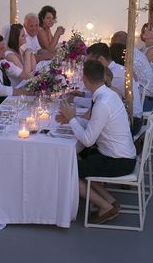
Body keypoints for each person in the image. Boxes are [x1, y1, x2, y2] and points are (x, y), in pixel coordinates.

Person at [58, 60, 136, 224]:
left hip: (119, 160)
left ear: (85, 80)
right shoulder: (108, 94)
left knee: (69, 170)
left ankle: (105, 207)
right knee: (82, 161)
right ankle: (110, 201)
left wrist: (72, 119)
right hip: (123, 154)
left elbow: (87, 140)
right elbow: (96, 125)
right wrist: (73, 120)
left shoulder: (102, 103)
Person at [88, 42, 143, 131]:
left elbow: (100, 101)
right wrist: (82, 95)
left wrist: (75, 100)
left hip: (132, 121)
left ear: (101, 59)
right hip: (133, 116)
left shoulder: (112, 75)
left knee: (91, 127)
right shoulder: (117, 68)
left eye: (90, 63)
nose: (89, 67)